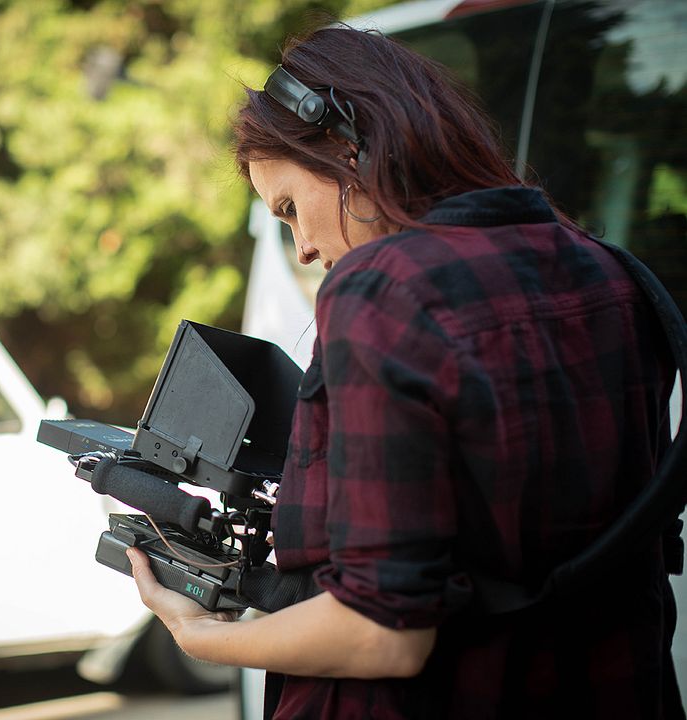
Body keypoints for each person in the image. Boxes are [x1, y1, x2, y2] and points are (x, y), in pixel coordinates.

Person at [125, 24, 681, 719]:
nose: (300, 248)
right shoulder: (613, 273)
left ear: (345, 143)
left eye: (292, 208)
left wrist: (204, 634)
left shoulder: (381, 292)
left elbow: (382, 634)